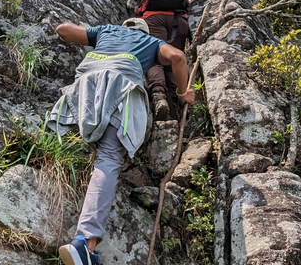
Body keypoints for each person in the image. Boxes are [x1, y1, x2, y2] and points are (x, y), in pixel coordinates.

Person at [49, 18, 194, 265]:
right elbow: (178, 57)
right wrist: (183, 93)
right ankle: (85, 244)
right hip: (120, 88)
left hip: (84, 90)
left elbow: (63, 30)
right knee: (109, 158)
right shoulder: (150, 41)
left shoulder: (105, 31)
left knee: (76, 140)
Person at [110, 0, 229, 120]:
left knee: (154, 57)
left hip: (152, 19)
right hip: (178, 22)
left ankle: (159, 96)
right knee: (174, 60)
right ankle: (178, 105)